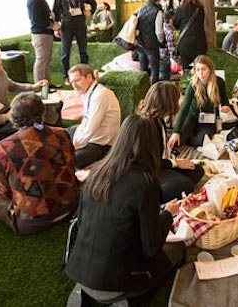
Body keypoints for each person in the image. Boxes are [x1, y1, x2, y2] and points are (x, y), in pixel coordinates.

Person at [65, 114, 185, 306]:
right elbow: (151, 246)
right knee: (177, 250)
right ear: (151, 146)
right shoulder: (145, 182)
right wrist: (168, 214)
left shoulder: (96, 171)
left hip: (81, 271)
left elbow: (82, 219)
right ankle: (135, 297)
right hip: (118, 281)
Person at [0, 93, 77, 234]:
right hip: (71, 206)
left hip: (32, 221)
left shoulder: (4, 147)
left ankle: (3, 213)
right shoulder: (62, 133)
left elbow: (3, 191)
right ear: (43, 112)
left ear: (13, 116)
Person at [136, 82, 204, 203]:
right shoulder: (148, 125)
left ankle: (169, 184)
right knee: (185, 185)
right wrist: (175, 163)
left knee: (197, 170)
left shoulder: (158, 120)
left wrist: (175, 161)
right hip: (149, 171)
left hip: (161, 164)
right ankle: (151, 197)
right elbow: (150, 163)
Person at [168, 55, 230, 148]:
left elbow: (225, 100)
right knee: (177, 141)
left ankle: (190, 136)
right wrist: (176, 131)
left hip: (210, 119)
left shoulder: (219, 82)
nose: (201, 73)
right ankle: (184, 135)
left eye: (203, 69)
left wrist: (226, 106)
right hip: (193, 116)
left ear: (210, 69)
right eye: (198, 70)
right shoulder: (193, 85)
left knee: (200, 141)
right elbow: (184, 108)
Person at [67, 64, 120, 169]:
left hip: (101, 145)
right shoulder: (88, 92)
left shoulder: (100, 96)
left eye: (77, 80)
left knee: (65, 159)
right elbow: (85, 124)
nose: (74, 85)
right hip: (91, 137)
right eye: (72, 82)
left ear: (89, 77)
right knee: (62, 134)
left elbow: (90, 130)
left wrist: (72, 147)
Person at [53, 0, 97, 81]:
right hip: (66, 27)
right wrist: (56, 29)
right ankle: (66, 76)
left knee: (83, 51)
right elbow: (55, 12)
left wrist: (90, 11)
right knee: (65, 52)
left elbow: (93, 3)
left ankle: (85, 73)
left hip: (80, 26)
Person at [27, 0, 59, 85]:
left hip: (46, 33)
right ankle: (40, 85)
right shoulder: (34, 0)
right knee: (41, 60)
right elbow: (36, 19)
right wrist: (51, 25)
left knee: (46, 60)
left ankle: (47, 84)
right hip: (40, 34)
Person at [173, 0, 207, 71]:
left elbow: (175, 24)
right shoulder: (200, 9)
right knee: (199, 67)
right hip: (200, 42)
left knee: (186, 68)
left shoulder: (180, 9)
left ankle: (187, 81)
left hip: (185, 42)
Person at [136, 0, 165, 84]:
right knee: (154, 69)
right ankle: (154, 91)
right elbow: (159, 32)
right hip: (152, 44)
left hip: (140, 43)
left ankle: (142, 90)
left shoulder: (140, 9)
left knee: (143, 69)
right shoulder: (158, 11)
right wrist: (161, 41)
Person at [159, 11, 177, 81]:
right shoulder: (170, 33)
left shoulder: (162, 27)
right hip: (165, 57)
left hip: (159, 55)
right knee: (165, 78)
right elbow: (172, 50)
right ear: (170, 20)